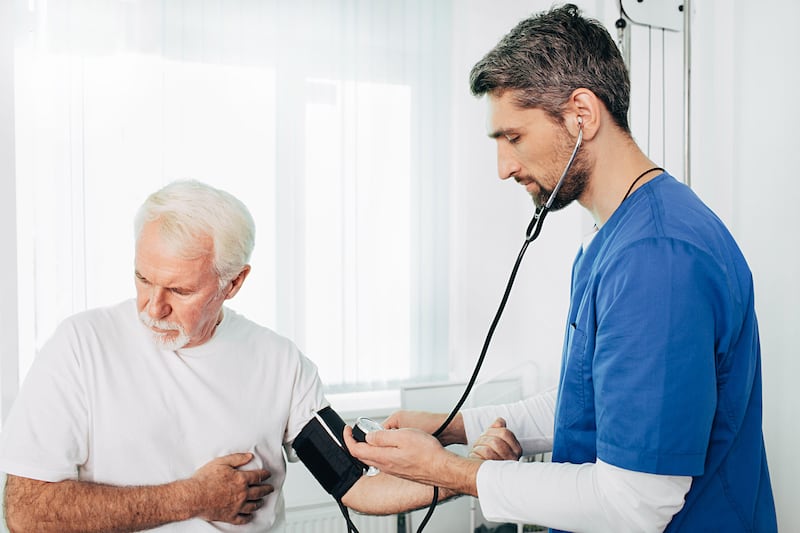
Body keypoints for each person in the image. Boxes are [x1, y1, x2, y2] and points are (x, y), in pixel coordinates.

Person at [345, 4, 778, 532]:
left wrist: (450, 473)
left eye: (514, 137)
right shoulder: (616, 238)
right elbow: (591, 401)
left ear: (582, 114)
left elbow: (636, 503)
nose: (503, 167)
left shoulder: (656, 261)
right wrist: (456, 427)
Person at [0, 180, 439, 532]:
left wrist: (465, 477)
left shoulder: (280, 363)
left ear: (233, 283)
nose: (153, 307)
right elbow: (26, 511)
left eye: (180, 289)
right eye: (143, 278)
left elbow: (355, 485)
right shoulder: (80, 346)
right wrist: (192, 497)